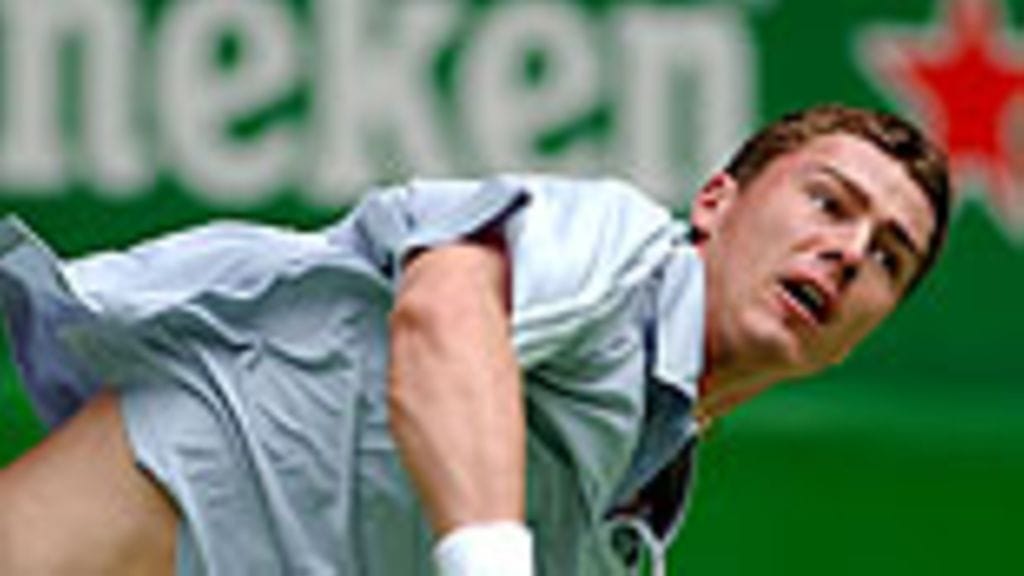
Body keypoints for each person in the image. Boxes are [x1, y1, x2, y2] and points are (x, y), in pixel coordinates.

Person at [0, 103, 951, 576]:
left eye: (886, 258)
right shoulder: (619, 249)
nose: (847, 251)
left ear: (864, 334)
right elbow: (445, 312)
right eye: (828, 201)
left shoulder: (627, 539)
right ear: (715, 201)